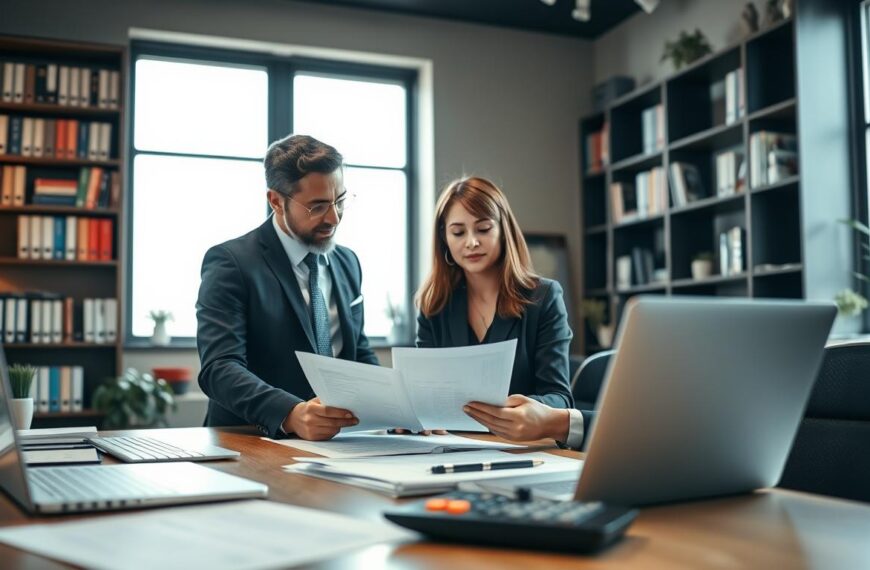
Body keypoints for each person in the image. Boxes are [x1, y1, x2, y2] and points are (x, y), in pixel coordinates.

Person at [197, 134, 376, 441]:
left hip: (338, 444)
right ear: (276, 201)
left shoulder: (347, 261)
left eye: (340, 200)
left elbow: (356, 351)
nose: (333, 217)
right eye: (317, 206)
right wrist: (290, 414)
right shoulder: (231, 263)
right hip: (250, 441)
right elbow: (219, 368)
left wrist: (396, 409)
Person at [415, 176, 592, 449]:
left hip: (523, 448)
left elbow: (559, 397)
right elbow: (424, 393)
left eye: (483, 229)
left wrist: (523, 410)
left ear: (503, 230)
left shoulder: (543, 297)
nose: (472, 242)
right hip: (451, 448)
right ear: (444, 240)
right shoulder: (434, 305)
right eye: (458, 232)